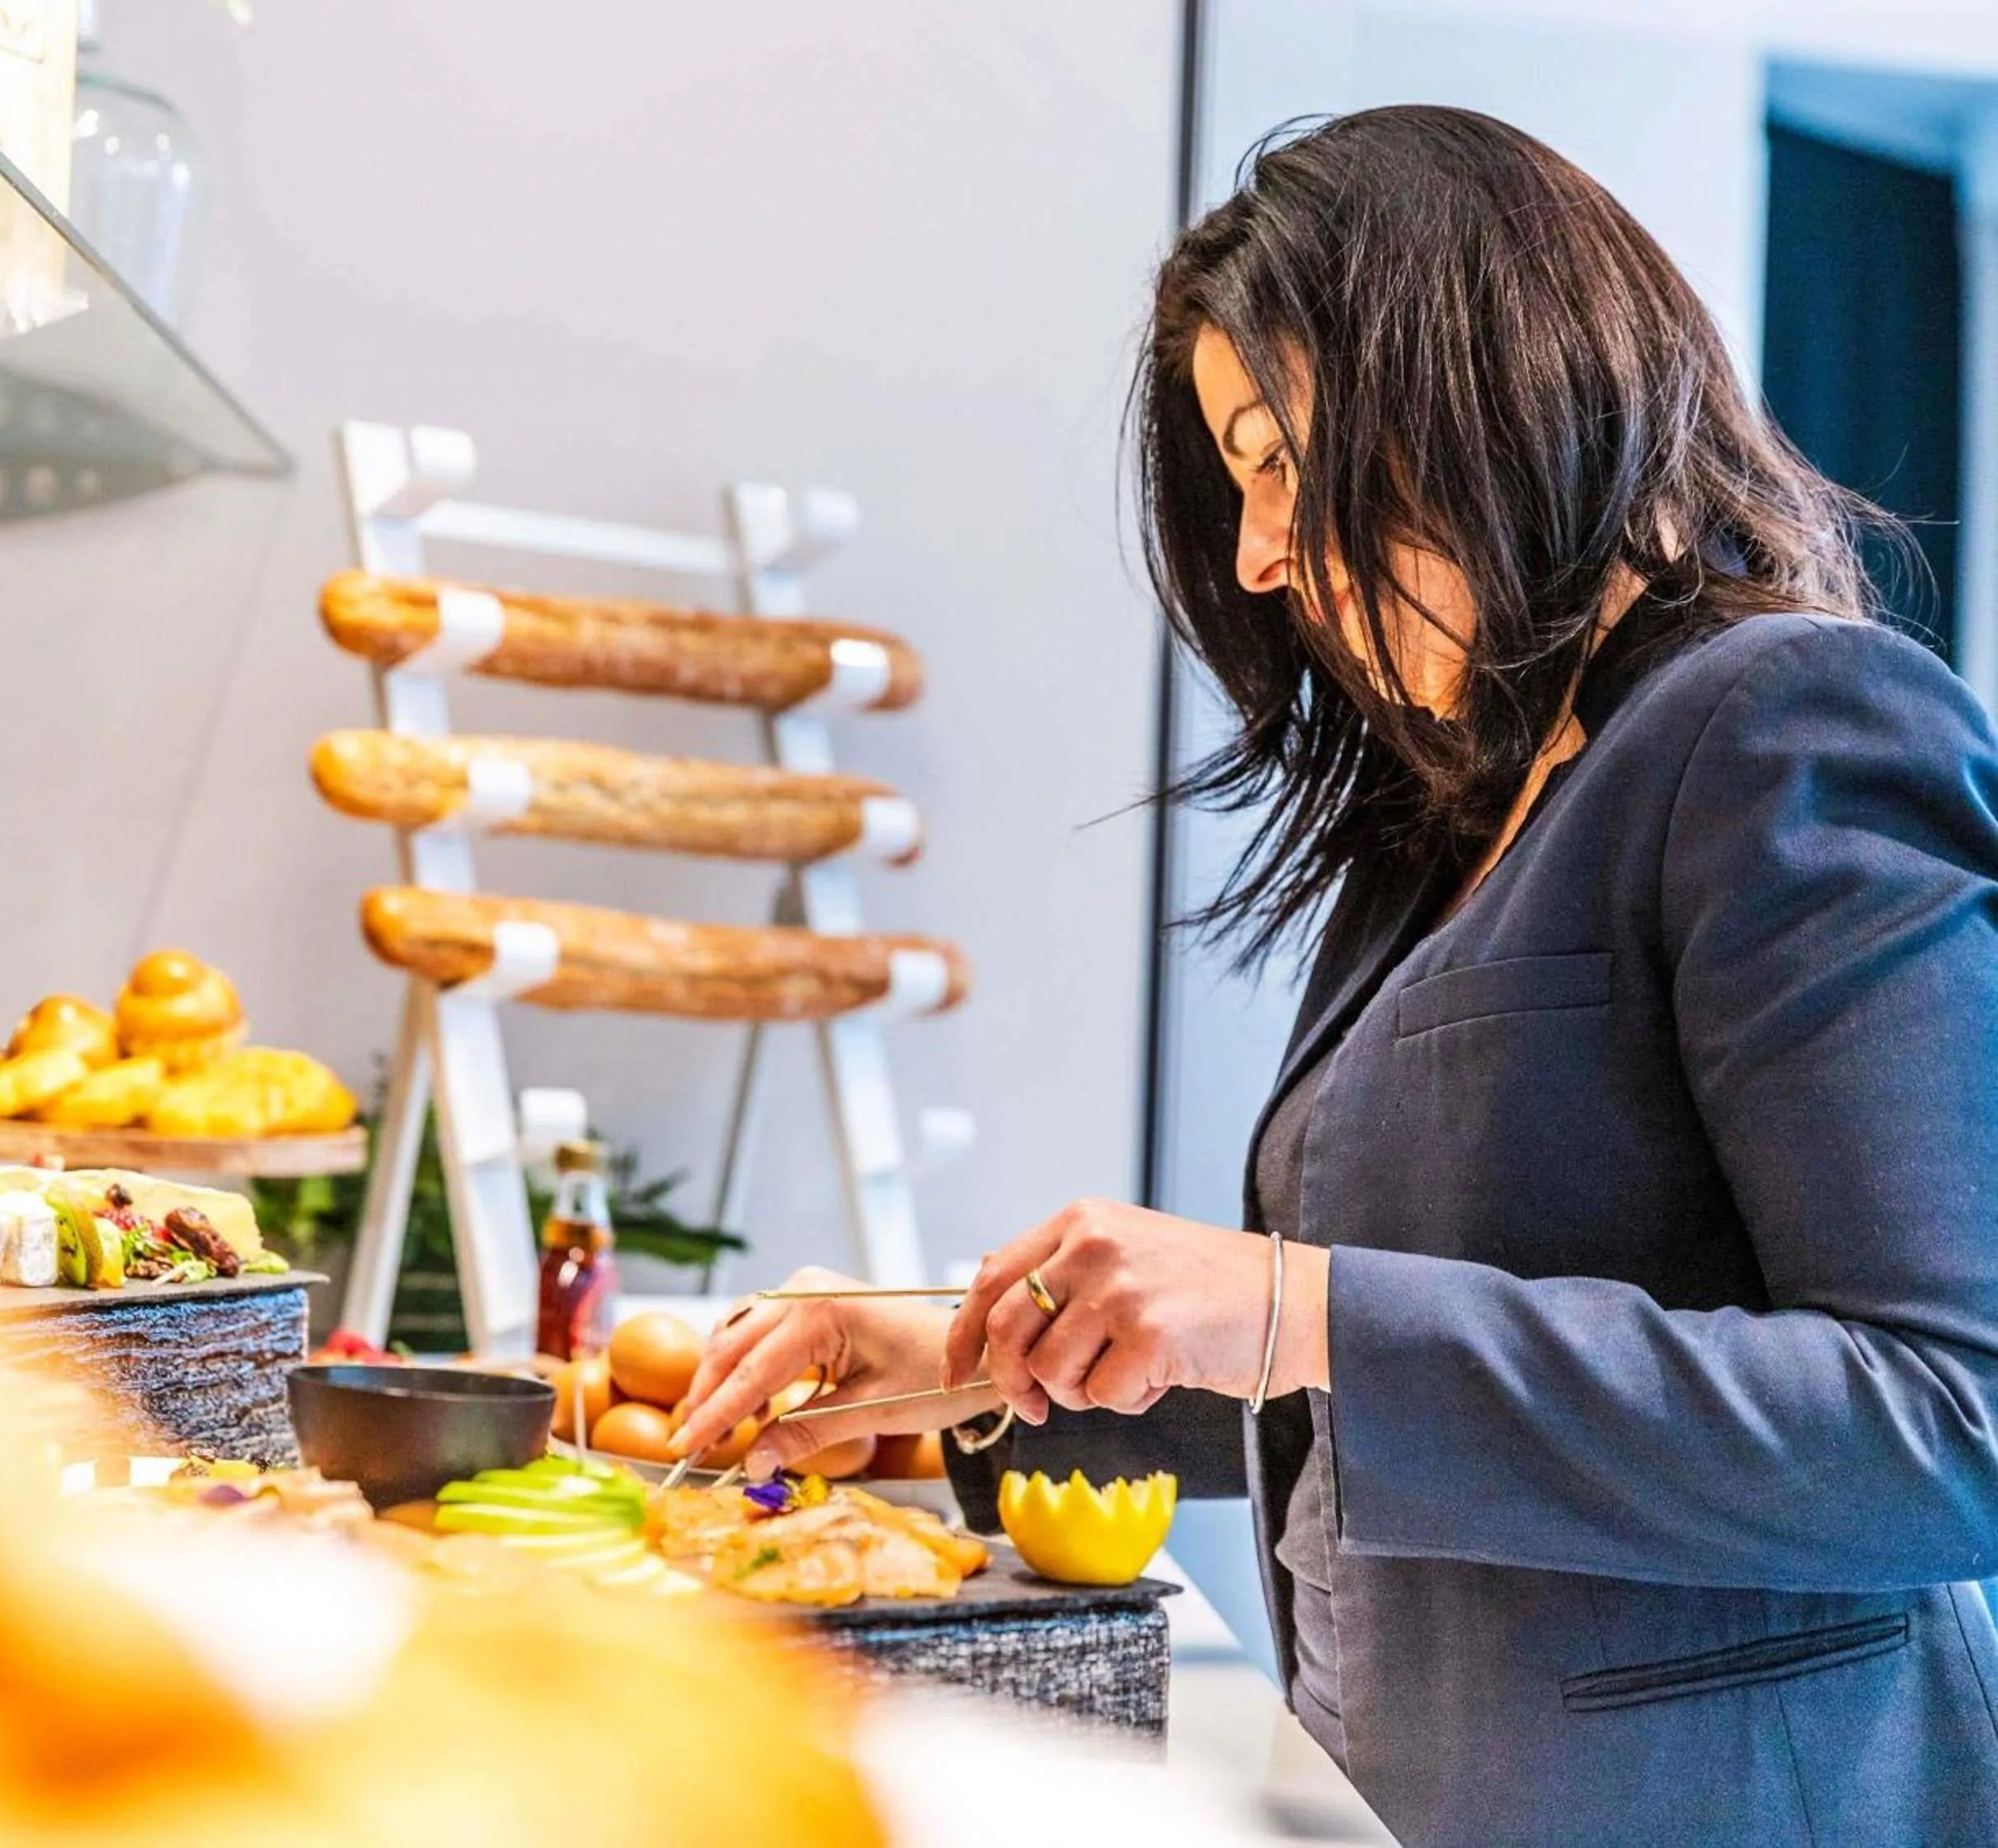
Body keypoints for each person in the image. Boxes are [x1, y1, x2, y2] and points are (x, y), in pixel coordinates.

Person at [673, 104, 1998, 1846]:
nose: (1256, 554)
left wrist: (1289, 1298)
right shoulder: (1450, 810)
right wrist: (968, 1364)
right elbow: (1394, 1381)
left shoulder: (1790, 719)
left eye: (1274, 458)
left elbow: (1945, 1423)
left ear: (1470, 378)